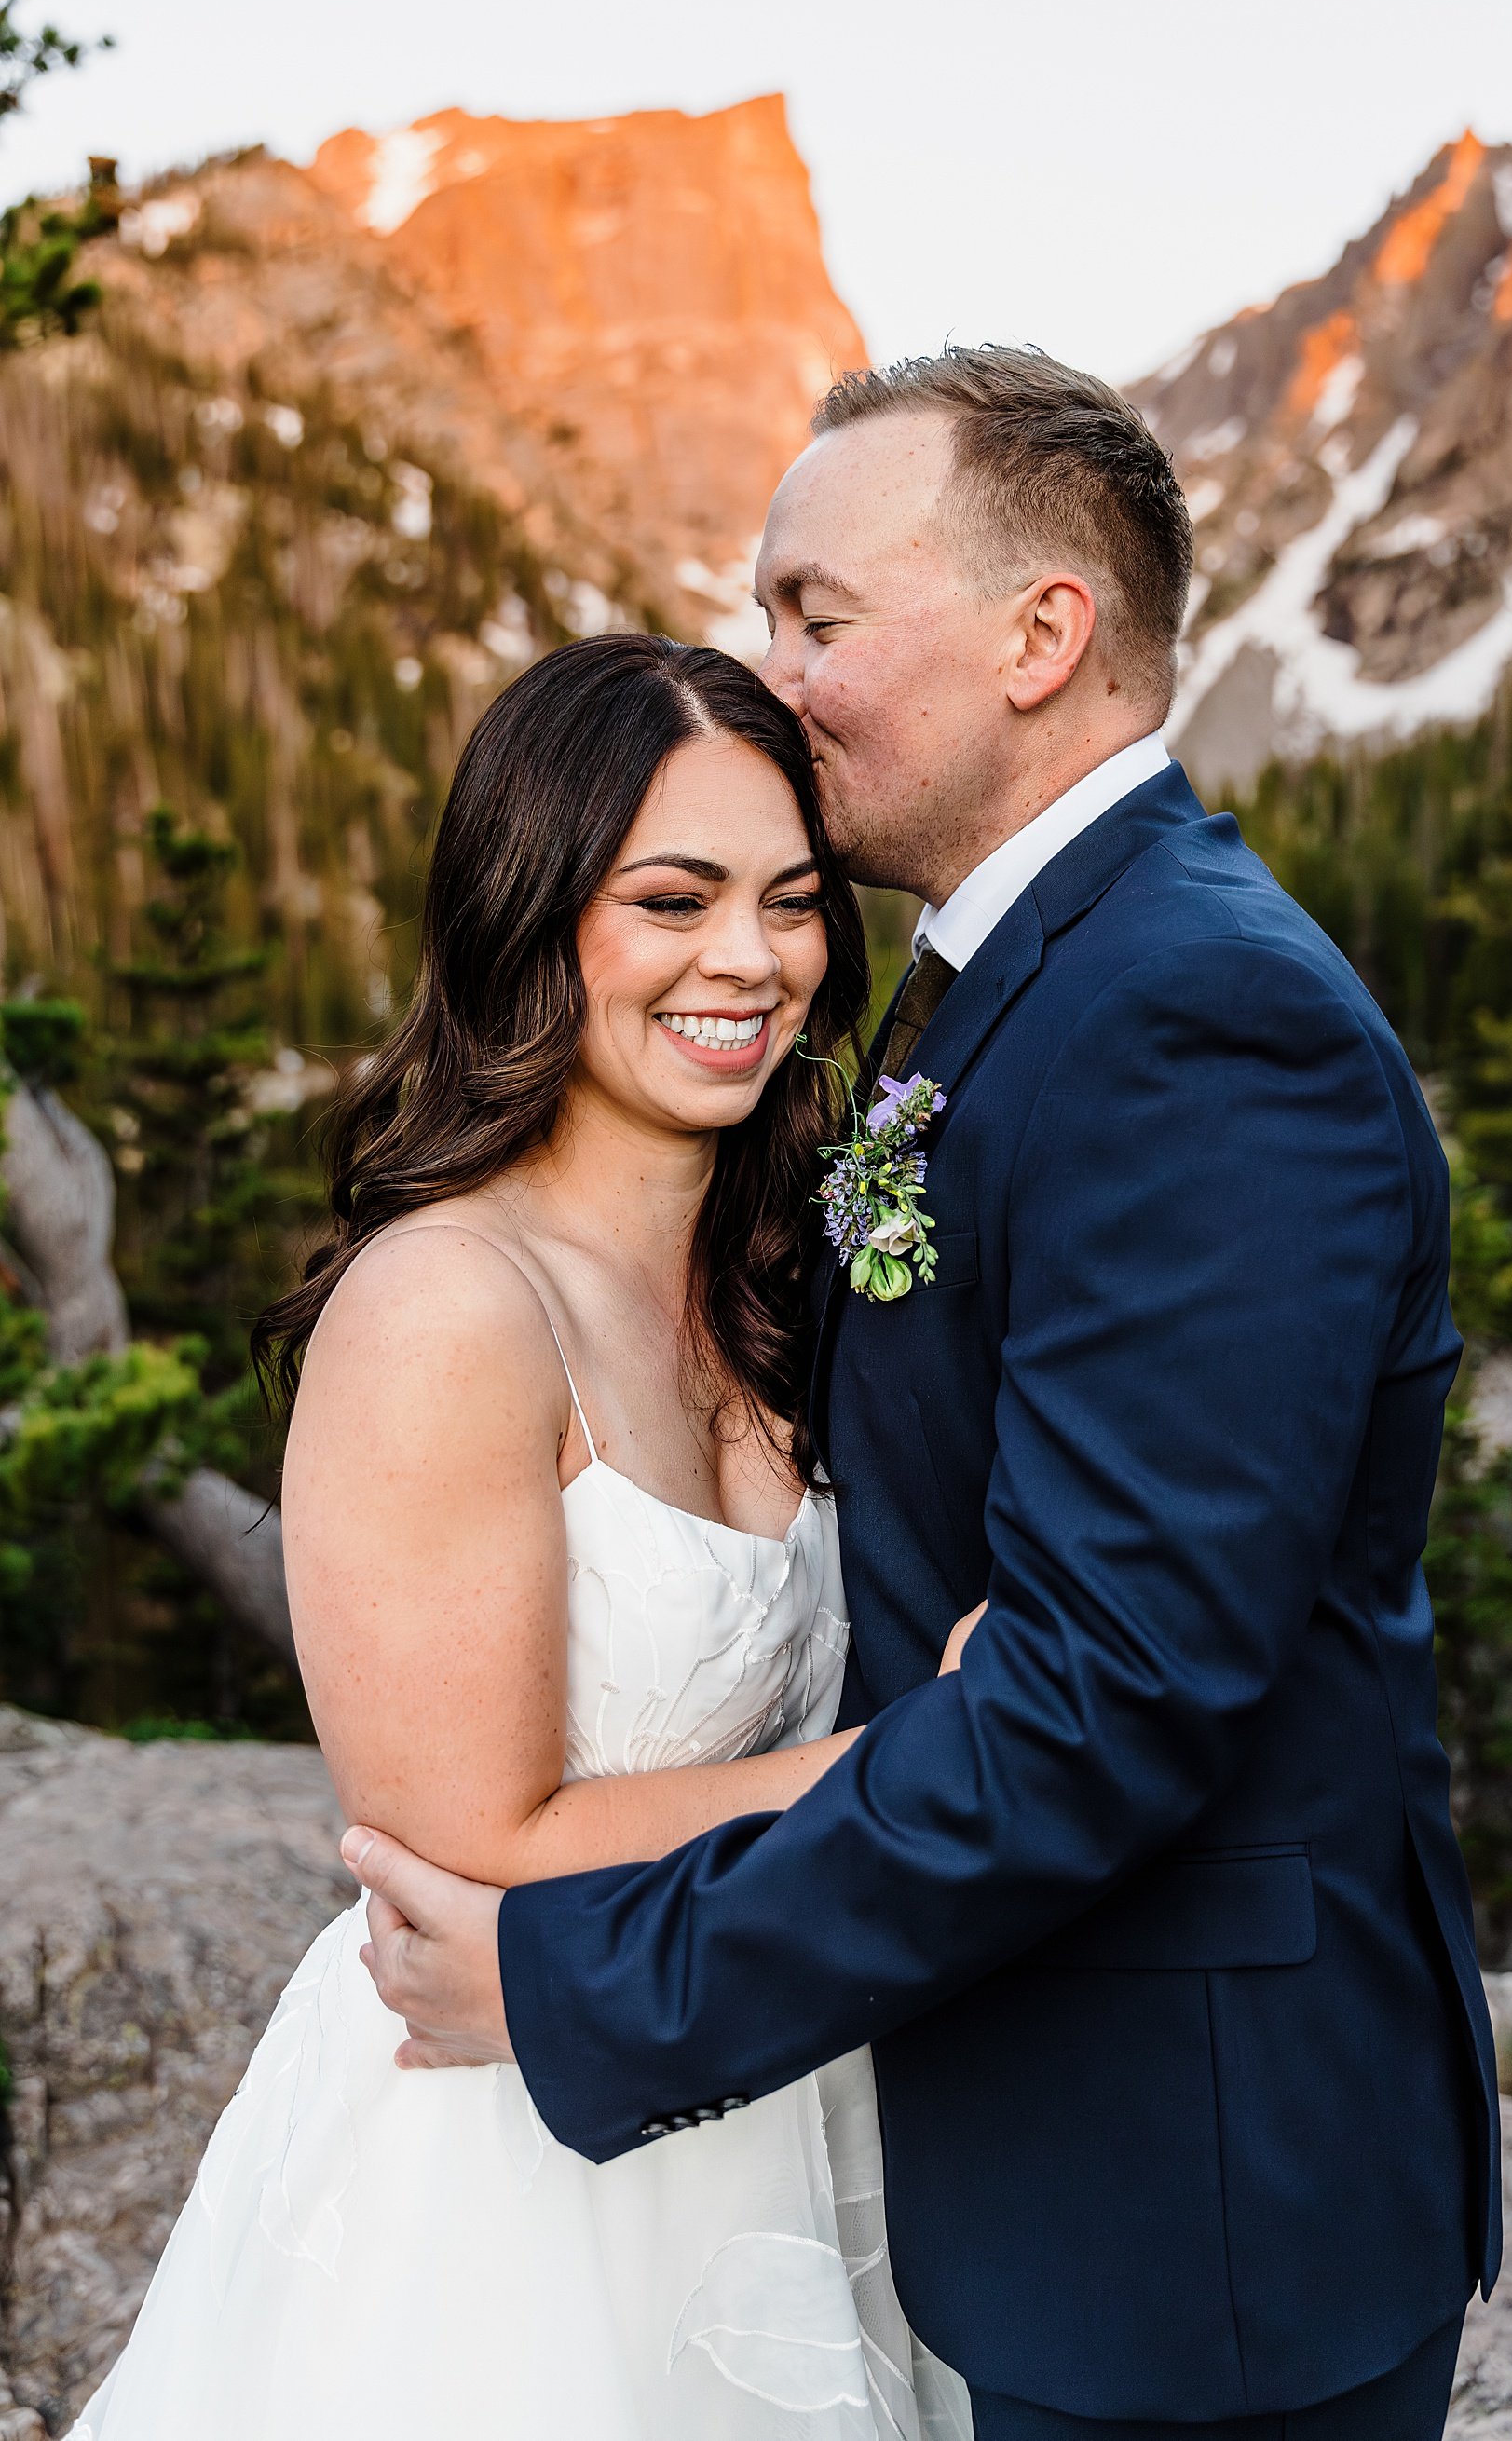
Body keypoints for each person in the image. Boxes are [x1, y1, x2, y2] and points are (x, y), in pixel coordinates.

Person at [352, 347, 1503, 2441]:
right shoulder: (1019, 975)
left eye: (817, 613)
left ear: (1041, 636)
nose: (769, 673)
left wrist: (585, 1985)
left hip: (1190, 2197)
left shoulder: (1198, 1021)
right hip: (1010, 2122)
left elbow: (1107, 1705)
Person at [68, 634, 974, 2441]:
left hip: (783, 2073)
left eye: (794, 900)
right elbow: (465, 1835)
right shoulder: (448, 1308)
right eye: (674, 896)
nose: (752, 958)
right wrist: (927, 1766)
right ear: (531, 914)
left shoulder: (789, 1280)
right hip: (506, 2146)